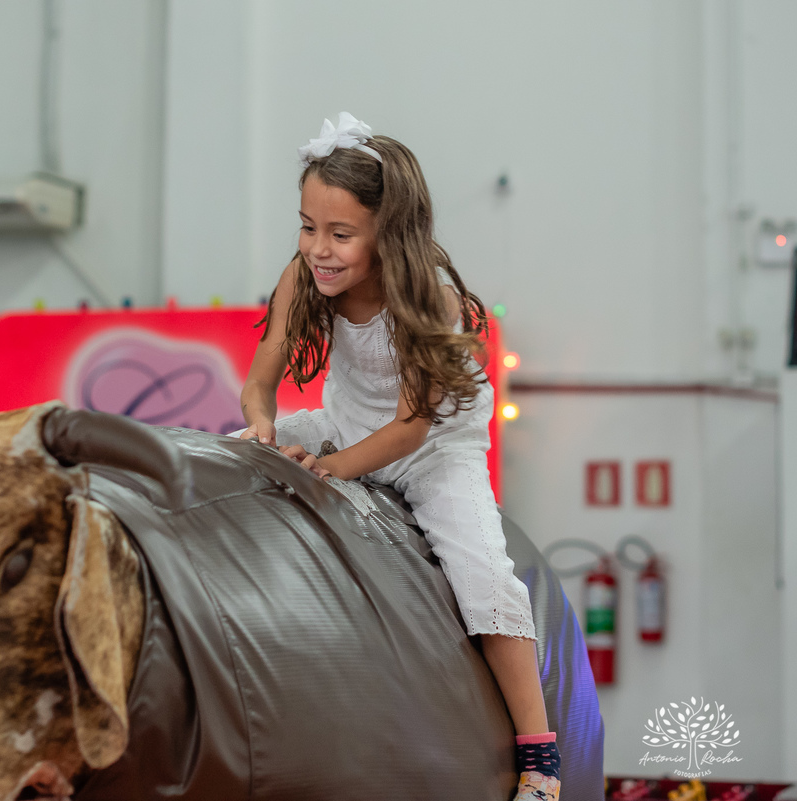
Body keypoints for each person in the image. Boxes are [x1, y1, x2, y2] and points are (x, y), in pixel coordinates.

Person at [237, 113, 561, 801]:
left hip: (432, 450)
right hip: (344, 422)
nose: (319, 249)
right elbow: (259, 383)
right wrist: (264, 431)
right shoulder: (302, 275)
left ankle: (541, 757)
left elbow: (411, 429)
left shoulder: (430, 296)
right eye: (307, 226)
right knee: (225, 452)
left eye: (340, 234)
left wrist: (324, 468)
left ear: (388, 232)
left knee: (485, 578)